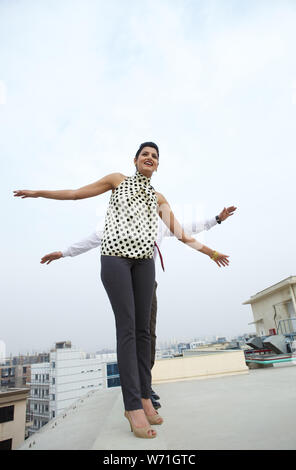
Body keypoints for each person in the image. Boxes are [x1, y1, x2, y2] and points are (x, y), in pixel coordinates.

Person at [13, 141, 231, 439]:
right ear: (135, 160)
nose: (149, 158)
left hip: (144, 263)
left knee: (144, 332)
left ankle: (143, 395)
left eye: (154, 156)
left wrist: (211, 252)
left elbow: (180, 232)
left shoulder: (158, 197)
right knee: (127, 328)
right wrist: (41, 193)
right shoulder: (118, 180)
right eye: (145, 154)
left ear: (158, 164)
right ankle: (132, 406)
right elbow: (77, 194)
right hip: (115, 259)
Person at [40, 205, 237, 410]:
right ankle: (134, 393)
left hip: (147, 284)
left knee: (148, 335)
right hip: (125, 281)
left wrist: (217, 219)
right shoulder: (119, 221)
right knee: (128, 334)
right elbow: (92, 239)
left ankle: (145, 386)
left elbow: (187, 229)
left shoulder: (160, 223)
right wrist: (64, 253)